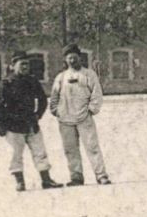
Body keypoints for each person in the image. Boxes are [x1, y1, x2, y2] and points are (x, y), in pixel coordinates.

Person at [0, 52, 62, 192]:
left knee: (40, 152)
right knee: (15, 154)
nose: (25, 67)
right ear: (13, 66)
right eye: (22, 64)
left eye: (27, 64)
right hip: (14, 126)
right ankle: (20, 182)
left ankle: (46, 180)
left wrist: (38, 115)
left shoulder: (32, 81)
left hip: (31, 124)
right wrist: (2, 126)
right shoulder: (7, 83)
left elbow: (42, 100)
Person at [47, 44, 110, 186]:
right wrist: (57, 111)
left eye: (74, 57)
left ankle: (101, 175)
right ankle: (76, 177)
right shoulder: (61, 77)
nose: (72, 61)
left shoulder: (89, 75)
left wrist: (91, 110)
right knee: (70, 149)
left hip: (84, 118)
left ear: (80, 58)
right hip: (65, 120)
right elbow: (54, 97)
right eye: (69, 58)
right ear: (65, 60)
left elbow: (97, 94)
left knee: (92, 147)